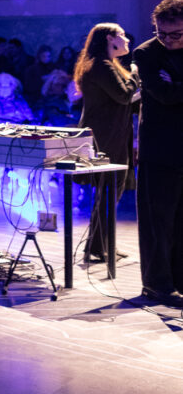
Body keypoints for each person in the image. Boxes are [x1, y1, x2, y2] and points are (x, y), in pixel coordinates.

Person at [74, 22, 140, 264]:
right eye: (121, 35)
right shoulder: (102, 65)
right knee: (110, 190)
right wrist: (135, 72)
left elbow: (124, 98)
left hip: (111, 133)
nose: (127, 39)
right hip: (106, 136)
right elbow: (124, 95)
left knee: (110, 192)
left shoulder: (106, 64)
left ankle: (100, 245)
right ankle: (97, 247)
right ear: (109, 39)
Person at [132, 0, 183, 307]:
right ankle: (157, 285)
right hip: (160, 149)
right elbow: (163, 95)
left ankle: (179, 281)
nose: (167, 40)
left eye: (176, 34)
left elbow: (173, 91)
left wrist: (177, 85)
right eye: (161, 33)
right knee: (158, 222)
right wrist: (173, 88)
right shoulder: (146, 53)